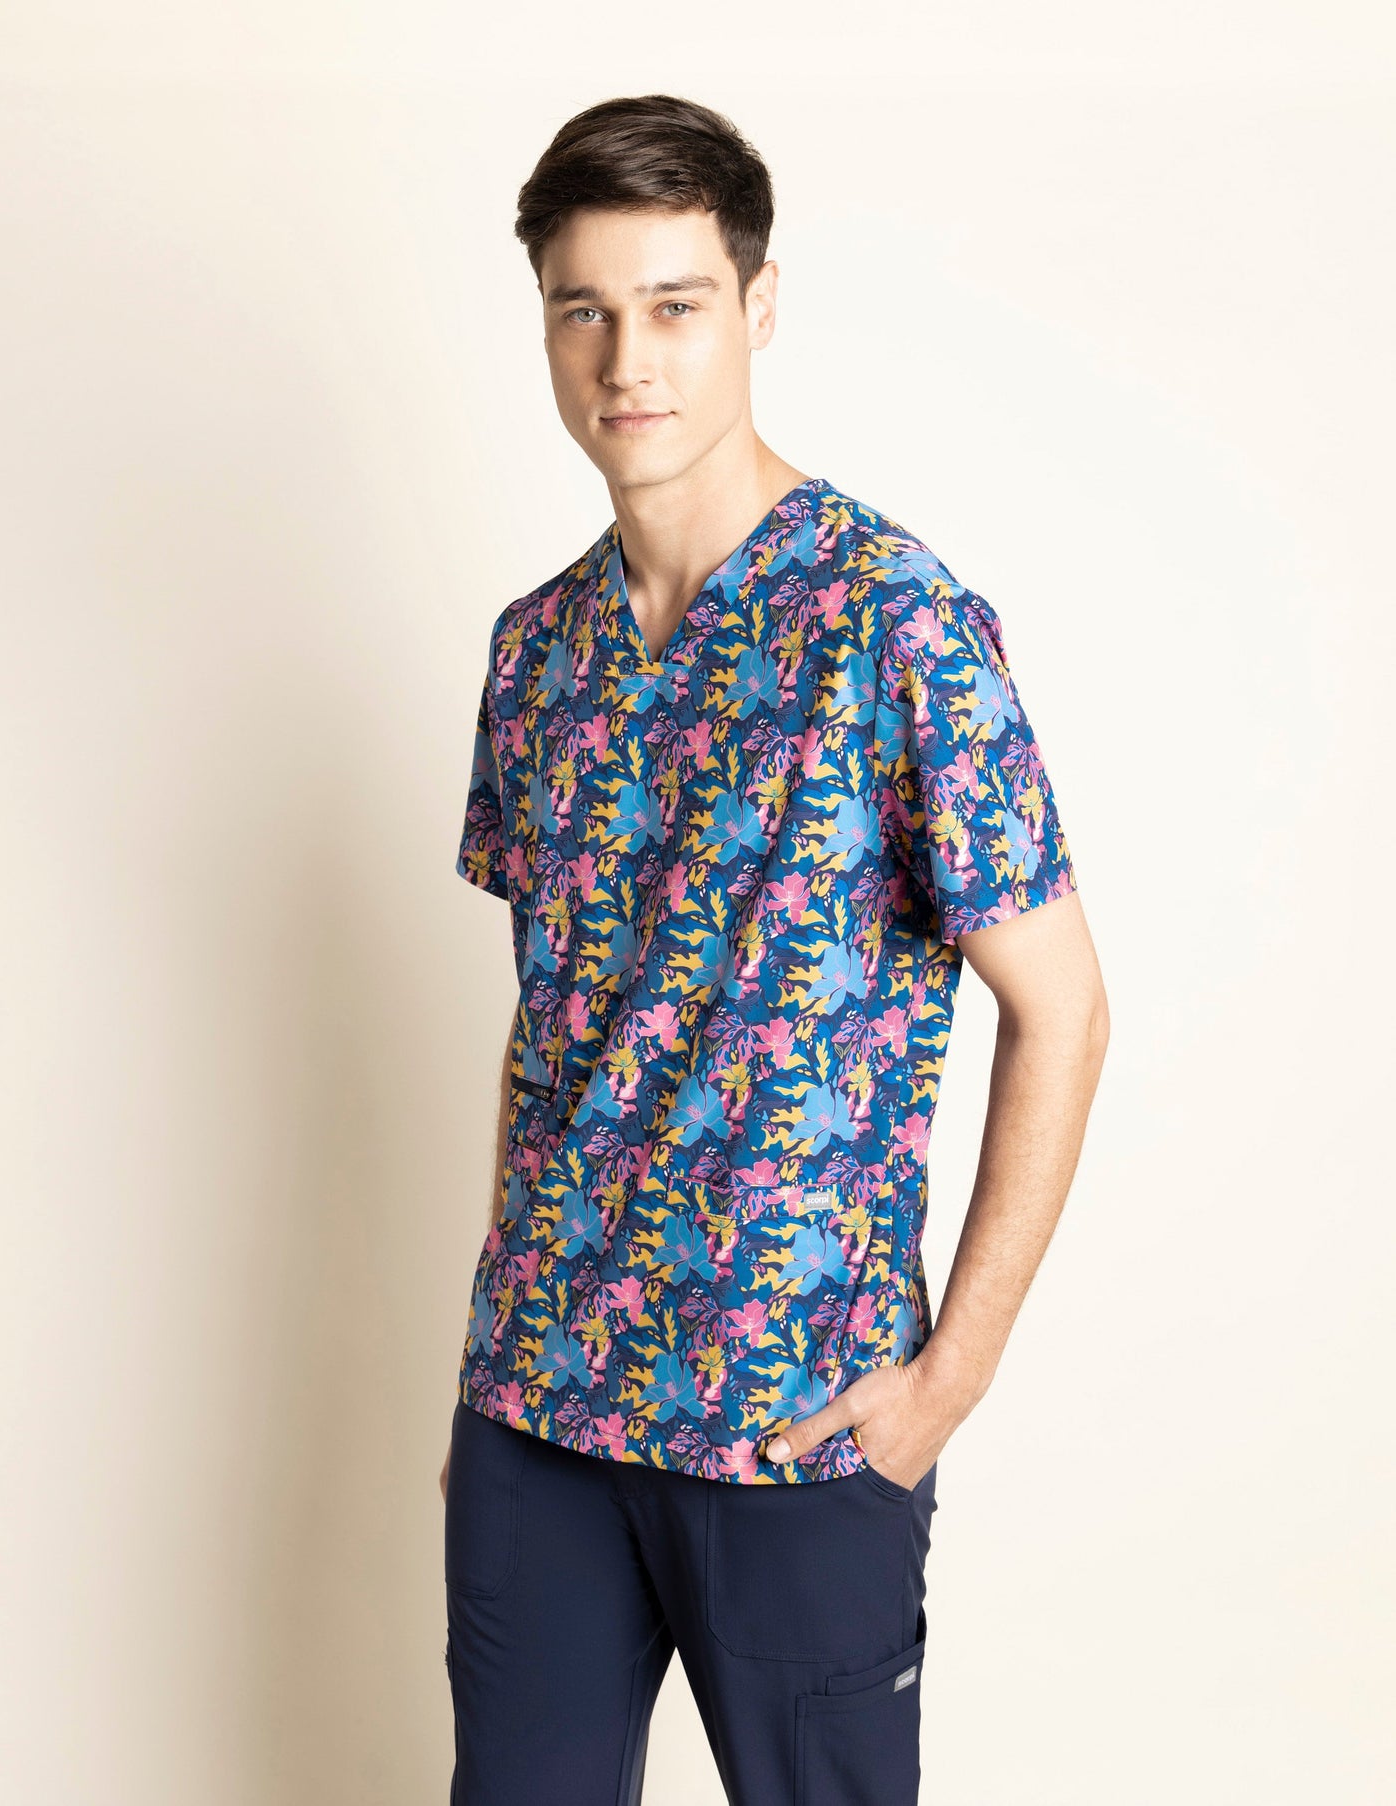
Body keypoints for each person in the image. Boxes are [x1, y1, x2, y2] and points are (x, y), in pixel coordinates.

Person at [441, 92, 1109, 1806]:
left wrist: (945, 1380)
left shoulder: (895, 623)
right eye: (583, 310)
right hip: (538, 1405)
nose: (626, 360)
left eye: (672, 305)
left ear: (756, 306)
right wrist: (507, 1348)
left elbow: (1062, 1008)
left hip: (794, 1415)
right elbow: (562, 1016)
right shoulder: (535, 652)